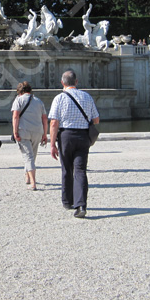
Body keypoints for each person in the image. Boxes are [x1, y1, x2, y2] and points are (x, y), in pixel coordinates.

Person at [48, 70, 100, 219]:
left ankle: (67, 201)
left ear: (62, 83)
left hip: (66, 136)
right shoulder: (87, 97)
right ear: (76, 82)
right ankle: (81, 205)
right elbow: (96, 120)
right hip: (83, 136)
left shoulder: (59, 98)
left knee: (66, 169)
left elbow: (54, 123)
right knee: (80, 170)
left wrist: (52, 144)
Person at [11, 82, 48, 190]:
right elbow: (45, 119)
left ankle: (33, 183)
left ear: (20, 91)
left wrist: (15, 131)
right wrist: (45, 134)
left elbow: (15, 116)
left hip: (24, 131)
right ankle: (27, 176)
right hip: (37, 131)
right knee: (32, 155)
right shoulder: (38, 101)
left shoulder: (18, 100)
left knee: (28, 156)